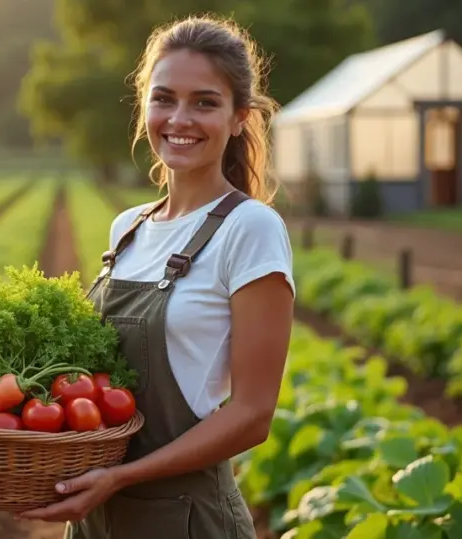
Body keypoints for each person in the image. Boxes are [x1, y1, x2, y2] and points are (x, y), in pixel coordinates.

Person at [17, 14, 295, 539]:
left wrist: (123, 476)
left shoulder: (250, 229)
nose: (179, 118)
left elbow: (254, 415)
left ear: (239, 118)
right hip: (97, 515)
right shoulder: (129, 228)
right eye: (164, 98)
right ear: (144, 105)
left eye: (204, 102)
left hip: (185, 517)